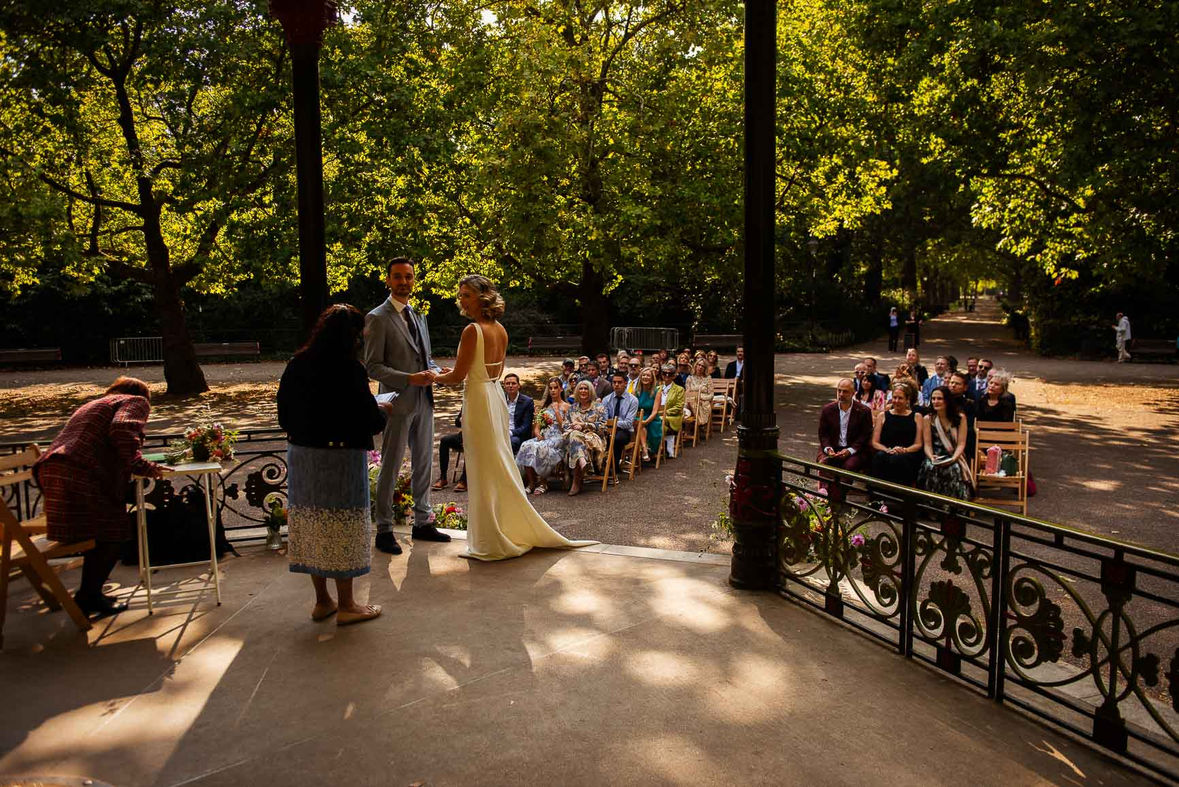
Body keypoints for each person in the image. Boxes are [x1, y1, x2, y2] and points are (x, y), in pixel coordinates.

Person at [431, 276, 596, 560]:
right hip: (494, 395)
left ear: (482, 297)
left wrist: (432, 376)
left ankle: (489, 541)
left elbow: (459, 376)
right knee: (495, 462)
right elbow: (492, 371)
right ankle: (501, 530)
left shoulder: (472, 331)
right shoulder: (502, 330)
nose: (462, 299)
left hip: (480, 399)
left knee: (482, 466)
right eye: (461, 294)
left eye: (467, 295)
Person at [279, 305, 387, 625]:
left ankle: (322, 601)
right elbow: (369, 419)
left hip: (303, 457)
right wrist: (385, 410)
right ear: (352, 335)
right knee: (344, 527)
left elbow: (284, 416)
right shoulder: (350, 369)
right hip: (341, 459)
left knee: (313, 525)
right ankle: (349, 605)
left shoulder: (296, 364)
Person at [33, 376, 164, 618]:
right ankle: (88, 597)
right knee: (113, 533)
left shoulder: (96, 403)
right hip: (81, 470)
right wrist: (141, 465)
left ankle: (90, 593)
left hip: (53, 468)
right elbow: (123, 429)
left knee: (100, 533)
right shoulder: (135, 400)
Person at [364, 257, 450, 556]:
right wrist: (409, 378)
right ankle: (384, 529)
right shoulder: (377, 317)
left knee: (424, 463)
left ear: (414, 280)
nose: (404, 282)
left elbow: (425, 359)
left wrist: (439, 372)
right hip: (397, 403)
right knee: (391, 464)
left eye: (408, 277)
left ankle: (423, 522)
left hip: (425, 401)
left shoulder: (419, 315)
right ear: (387, 280)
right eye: (398, 277)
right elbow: (372, 366)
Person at [917, 387, 974, 500]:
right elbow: (927, 444)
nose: (935, 402)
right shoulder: (928, 418)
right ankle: (932, 506)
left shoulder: (960, 417)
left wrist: (953, 458)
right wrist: (931, 457)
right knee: (930, 467)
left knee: (954, 469)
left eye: (939, 398)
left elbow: (961, 444)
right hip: (936, 454)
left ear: (947, 400)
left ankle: (952, 508)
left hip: (954, 454)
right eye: (933, 399)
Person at [516, 378, 569, 495]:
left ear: (561, 389)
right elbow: (537, 426)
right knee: (526, 445)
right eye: (550, 388)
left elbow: (565, 428)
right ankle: (531, 482)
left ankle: (543, 483)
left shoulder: (566, 407)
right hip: (545, 436)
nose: (553, 390)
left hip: (559, 438)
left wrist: (556, 412)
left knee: (540, 447)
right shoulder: (545, 407)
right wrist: (537, 433)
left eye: (555, 387)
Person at [869, 384, 924, 486]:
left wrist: (904, 450)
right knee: (880, 457)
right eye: (894, 397)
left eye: (900, 398)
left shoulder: (917, 417)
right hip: (886, 451)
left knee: (899, 460)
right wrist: (887, 450)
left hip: (908, 453)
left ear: (907, 399)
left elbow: (918, 443)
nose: (896, 401)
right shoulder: (883, 416)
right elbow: (875, 442)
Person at [816, 378, 873, 473]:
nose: (841, 394)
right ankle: (825, 488)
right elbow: (823, 434)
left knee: (848, 467)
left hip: (854, 450)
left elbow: (865, 435)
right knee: (824, 463)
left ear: (853, 393)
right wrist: (828, 448)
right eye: (839, 391)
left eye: (845, 392)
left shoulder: (864, 411)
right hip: (832, 448)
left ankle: (842, 488)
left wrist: (850, 450)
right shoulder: (828, 410)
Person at [564, 380, 610, 495]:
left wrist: (584, 425)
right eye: (581, 388)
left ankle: (576, 482)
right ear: (577, 391)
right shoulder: (572, 408)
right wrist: (574, 426)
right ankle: (582, 460)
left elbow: (603, 426)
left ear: (591, 391)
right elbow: (564, 425)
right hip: (575, 438)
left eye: (585, 389)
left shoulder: (599, 407)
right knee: (575, 435)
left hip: (593, 439)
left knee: (575, 438)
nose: (583, 391)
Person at [603, 371, 640, 473]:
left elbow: (628, 423)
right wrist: (610, 425)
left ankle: (612, 467)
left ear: (625, 383)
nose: (616, 385)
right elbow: (603, 420)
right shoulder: (606, 399)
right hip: (608, 430)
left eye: (619, 382)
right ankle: (602, 466)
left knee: (616, 438)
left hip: (625, 431)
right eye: (614, 382)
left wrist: (613, 423)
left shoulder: (633, 400)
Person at [946, 371, 977, 462]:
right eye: (952, 382)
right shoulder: (942, 401)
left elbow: (969, 425)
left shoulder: (969, 404)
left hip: (962, 438)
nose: (953, 385)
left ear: (965, 387)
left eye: (957, 384)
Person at [501, 372, 535, 455]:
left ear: (519, 386)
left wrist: (510, 433)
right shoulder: (500, 399)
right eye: (507, 383)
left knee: (510, 443)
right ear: (504, 386)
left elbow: (526, 427)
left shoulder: (527, 402)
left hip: (517, 436)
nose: (510, 386)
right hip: (501, 433)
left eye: (513, 383)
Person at [432, 410, 466, 492]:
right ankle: (443, 477)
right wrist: (460, 419)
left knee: (471, 446)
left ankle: (464, 479)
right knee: (444, 441)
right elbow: (457, 423)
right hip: (463, 435)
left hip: (477, 437)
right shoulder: (467, 401)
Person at [657, 364, 685, 458]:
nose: (667, 376)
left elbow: (679, 406)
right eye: (665, 373)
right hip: (658, 416)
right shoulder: (657, 389)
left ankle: (655, 448)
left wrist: (664, 412)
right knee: (656, 423)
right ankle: (656, 448)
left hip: (673, 417)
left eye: (670, 374)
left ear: (674, 376)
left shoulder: (679, 389)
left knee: (659, 421)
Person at [634, 367, 661, 462]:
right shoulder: (636, 391)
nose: (645, 377)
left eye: (648, 375)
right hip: (639, 417)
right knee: (639, 424)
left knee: (641, 425)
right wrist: (641, 421)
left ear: (652, 378)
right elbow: (633, 408)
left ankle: (646, 449)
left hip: (652, 419)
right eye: (643, 375)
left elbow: (655, 411)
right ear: (640, 377)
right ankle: (645, 449)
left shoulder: (657, 392)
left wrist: (646, 421)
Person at [684, 357, 713, 425]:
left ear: (705, 368)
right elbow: (687, 393)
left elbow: (711, 395)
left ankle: (690, 425)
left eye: (703, 366)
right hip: (690, 401)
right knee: (688, 402)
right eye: (699, 365)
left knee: (695, 404)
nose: (700, 367)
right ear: (695, 365)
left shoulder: (708, 378)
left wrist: (700, 397)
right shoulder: (690, 378)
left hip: (703, 402)